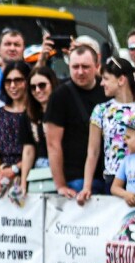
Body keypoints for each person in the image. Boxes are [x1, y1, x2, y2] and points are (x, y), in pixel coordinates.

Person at [79, 56, 135, 203]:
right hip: (114, 180)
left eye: (106, 79)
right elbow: (93, 151)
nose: (102, 83)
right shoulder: (101, 110)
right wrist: (86, 186)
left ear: (121, 80)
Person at [44, 44, 109, 198]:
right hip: (75, 178)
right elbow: (53, 144)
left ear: (97, 66)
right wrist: (60, 185)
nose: (80, 72)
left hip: (108, 176)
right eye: (75, 67)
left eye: (85, 67)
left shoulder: (107, 90)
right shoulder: (60, 95)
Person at [0, 60, 32, 199]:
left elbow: (36, 151)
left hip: (27, 176)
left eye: (18, 80)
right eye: (8, 81)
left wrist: (15, 169)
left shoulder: (34, 114)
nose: (12, 86)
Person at [20, 66, 56, 177]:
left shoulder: (64, 110)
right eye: (33, 87)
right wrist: (23, 182)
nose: (37, 90)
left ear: (52, 84)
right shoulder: (28, 115)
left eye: (42, 85)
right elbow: (28, 151)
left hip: (64, 169)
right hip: (39, 171)